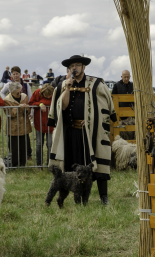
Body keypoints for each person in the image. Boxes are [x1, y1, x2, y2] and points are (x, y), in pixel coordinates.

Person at [47, 54, 116, 205]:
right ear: (69, 69)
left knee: (96, 163)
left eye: (78, 65)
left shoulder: (96, 84)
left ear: (84, 67)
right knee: (71, 166)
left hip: (89, 132)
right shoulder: (63, 85)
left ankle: (103, 197)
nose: (75, 68)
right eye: (72, 66)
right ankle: (71, 197)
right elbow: (62, 107)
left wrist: (91, 120)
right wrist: (67, 88)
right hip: (70, 132)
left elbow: (104, 105)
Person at [4, 81, 32, 168]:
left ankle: (22, 163)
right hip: (13, 126)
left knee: (24, 145)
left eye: (20, 91)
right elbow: (9, 113)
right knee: (14, 147)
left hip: (24, 125)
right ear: (11, 92)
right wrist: (18, 107)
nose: (20, 94)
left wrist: (26, 109)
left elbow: (28, 111)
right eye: (17, 93)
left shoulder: (24, 96)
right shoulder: (6, 100)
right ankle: (14, 164)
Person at [30, 83, 55, 166]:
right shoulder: (37, 93)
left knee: (50, 144)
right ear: (42, 93)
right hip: (39, 123)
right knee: (39, 144)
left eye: (50, 95)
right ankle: (39, 164)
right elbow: (31, 103)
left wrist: (43, 102)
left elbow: (57, 103)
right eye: (46, 95)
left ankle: (49, 164)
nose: (48, 97)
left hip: (51, 124)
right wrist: (40, 104)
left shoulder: (54, 93)